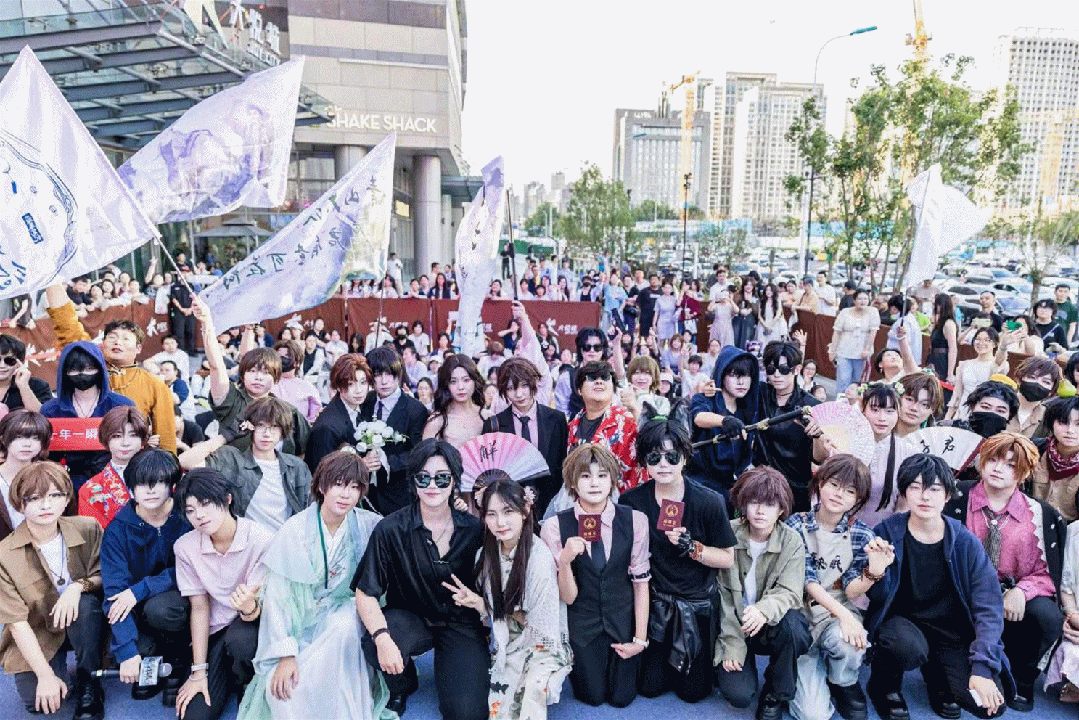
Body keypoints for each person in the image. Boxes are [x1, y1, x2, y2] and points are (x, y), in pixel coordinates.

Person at [237, 451, 390, 720]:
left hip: (347, 612)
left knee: (343, 625)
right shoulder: (295, 530)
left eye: (354, 487)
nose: (346, 494)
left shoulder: (369, 525)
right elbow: (278, 597)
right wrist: (286, 654)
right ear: (321, 486)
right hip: (302, 618)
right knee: (286, 691)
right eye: (338, 484)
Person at [865, 454, 1011, 720]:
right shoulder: (887, 533)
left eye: (934, 489)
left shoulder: (965, 542)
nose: (925, 496)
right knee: (906, 646)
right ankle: (883, 686)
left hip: (949, 631)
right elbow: (877, 599)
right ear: (904, 492)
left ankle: (938, 678)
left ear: (947, 496)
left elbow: (989, 607)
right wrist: (875, 571)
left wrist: (982, 669)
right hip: (901, 625)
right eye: (915, 487)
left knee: (989, 706)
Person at [353, 439, 490, 720]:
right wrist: (383, 639)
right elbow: (365, 592)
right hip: (410, 616)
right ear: (413, 481)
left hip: (460, 623)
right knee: (375, 644)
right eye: (423, 477)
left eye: (442, 478)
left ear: (454, 481)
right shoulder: (390, 529)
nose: (432, 486)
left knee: (466, 714)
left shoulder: (475, 530)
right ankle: (403, 683)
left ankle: (454, 669)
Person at [619, 414, 736, 703]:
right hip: (656, 604)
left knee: (693, 694)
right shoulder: (632, 501)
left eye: (672, 457)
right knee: (649, 688)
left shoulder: (710, 501)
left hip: (695, 605)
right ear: (644, 461)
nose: (663, 464)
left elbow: (727, 558)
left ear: (684, 458)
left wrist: (693, 548)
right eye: (654, 457)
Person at [944, 432, 1065, 711]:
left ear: (1024, 473)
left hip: (1010, 598)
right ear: (982, 461)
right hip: (960, 593)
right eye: (993, 460)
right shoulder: (956, 496)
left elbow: (1048, 573)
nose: (999, 469)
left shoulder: (1041, 515)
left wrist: (1022, 591)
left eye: (1011, 465)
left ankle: (1022, 677)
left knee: (1047, 615)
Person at [446, 477, 572, 719]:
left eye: (508, 512)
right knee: (500, 703)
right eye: (491, 514)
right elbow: (495, 615)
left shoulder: (539, 557)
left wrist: (490, 607)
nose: (500, 522)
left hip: (541, 644)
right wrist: (478, 603)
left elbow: (540, 625)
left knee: (531, 692)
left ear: (525, 511)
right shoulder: (484, 555)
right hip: (507, 641)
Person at [540, 443, 650, 708]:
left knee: (622, 698)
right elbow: (567, 597)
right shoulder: (554, 526)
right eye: (585, 476)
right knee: (592, 697)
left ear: (612, 480)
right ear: (572, 482)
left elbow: (641, 585)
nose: (594, 483)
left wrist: (639, 640)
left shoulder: (635, 520)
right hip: (582, 625)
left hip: (622, 622)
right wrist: (565, 560)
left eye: (602, 475)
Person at [787, 455, 893, 720]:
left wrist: (874, 570)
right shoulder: (796, 524)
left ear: (858, 498)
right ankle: (799, 673)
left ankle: (842, 681)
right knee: (812, 716)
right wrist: (847, 616)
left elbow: (850, 591)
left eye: (849, 491)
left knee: (851, 643)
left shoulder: (862, 533)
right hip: (799, 614)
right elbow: (807, 580)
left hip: (835, 613)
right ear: (820, 483)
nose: (839, 494)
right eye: (834, 485)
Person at [0, 462, 105, 719]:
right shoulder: (4, 554)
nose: (46, 505)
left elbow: (105, 574)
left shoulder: (88, 527)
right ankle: (54, 669)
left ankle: (89, 679)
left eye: (55, 495)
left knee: (84, 604)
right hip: (39, 630)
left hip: (85, 623)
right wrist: (45, 676)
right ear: (19, 503)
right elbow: (16, 623)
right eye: (34, 498)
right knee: (37, 703)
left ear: (67, 498)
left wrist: (77, 587)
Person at [173, 468, 274, 720]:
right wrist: (198, 672)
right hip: (217, 630)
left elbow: (259, 609)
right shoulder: (185, 547)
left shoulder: (261, 539)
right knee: (193, 716)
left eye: (206, 503)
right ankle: (223, 674)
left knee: (241, 641)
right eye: (190, 510)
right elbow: (200, 608)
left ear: (227, 499)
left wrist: (249, 608)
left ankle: (246, 683)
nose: (199, 515)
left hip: (252, 625)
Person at [715, 467, 811, 720]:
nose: (760, 511)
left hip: (769, 623)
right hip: (734, 623)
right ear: (742, 504)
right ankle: (727, 659)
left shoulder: (791, 540)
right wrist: (732, 644)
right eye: (753, 502)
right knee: (739, 695)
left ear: (781, 510)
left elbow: (790, 592)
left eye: (769, 504)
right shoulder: (727, 533)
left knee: (795, 627)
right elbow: (723, 597)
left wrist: (762, 610)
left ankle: (775, 692)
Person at [100, 449, 191, 705]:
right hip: (138, 610)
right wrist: (127, 651)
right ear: (131, 486)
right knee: (133, 650)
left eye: (159, 482)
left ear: (172, 484)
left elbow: (192, 569)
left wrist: (140, 589)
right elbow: (114, 592)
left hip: (180, 602)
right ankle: (152, 655)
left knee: (161, 609)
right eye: (141, 483)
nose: (150, 490)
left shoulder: (187, 517)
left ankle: (178, 660)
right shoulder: (118, 529)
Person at [45, 284, 176, 453]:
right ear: (103, 343)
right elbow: (66, 324)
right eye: (112, 337)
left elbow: (166, 439)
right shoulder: (89, 365)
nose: (117, 342)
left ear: (138, 348)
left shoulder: (154, 385)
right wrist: (51, 281)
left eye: (126, 339)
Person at [193, 299, 310, 456]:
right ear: (243, 374)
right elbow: (216, 366)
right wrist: (206, 323)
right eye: (253, 371)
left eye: (266, 373)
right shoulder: (231, 401)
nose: (258, 377)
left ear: (276, 378)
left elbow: (302, 453)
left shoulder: (289, 412)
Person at [179, 397, 312, 533]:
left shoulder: (296, 466)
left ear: (282, 431)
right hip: (247, 541)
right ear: (250, 427)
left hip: (286, 540)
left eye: (274, 427)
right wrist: (226, 436)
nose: (267, 434)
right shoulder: (232, 460)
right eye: (260, 426)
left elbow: (310, 509)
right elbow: (184, 461)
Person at [40, 338, 135, 489]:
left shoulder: (122, 405)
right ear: (64, 372)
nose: (82, 374)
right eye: (74, 370)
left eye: (89, 369)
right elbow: (45, 454)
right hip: (65, 485)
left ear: (100, 369)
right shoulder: (50, 410)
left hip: (115, 482)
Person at [486, 357, 568, 518]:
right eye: (511, 388)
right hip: (511, 506)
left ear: (534, 382)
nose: (519, 394)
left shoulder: (556, 419)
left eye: (524, 385)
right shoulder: (494, 425)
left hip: (550, 505)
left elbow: (561, 463)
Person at [360, 346, 428, 515]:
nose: (384, 381)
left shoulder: (415, 410)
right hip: (368, 494)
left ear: (398, 374)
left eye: (389, 374)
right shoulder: (366, 401)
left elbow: (419, 453)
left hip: (401, 494)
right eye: (377, 375)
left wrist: (387, 462)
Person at [755, 341, 821, 512]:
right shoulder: (759, 394)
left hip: (795, 489)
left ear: (797, 370)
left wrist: (818, 436)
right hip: (760, 485)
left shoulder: (812, 405)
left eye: (784, 369)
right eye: (771, 369)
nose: (777, 375)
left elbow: (820, 458)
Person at [690, 345, 760, 500]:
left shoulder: (748, 409)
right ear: (721, 374)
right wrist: (724, 421)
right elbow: (699, 417)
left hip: (734, 488)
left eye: (747, 375)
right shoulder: (705, 399)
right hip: (701, 486)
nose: (741, 382)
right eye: (734, 375)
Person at [566, 361, 643, 492]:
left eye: (605, 378)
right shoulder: (572, 426)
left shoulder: (628, 420)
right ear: (579, 390)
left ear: (613, 389)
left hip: (621, 498)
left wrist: (636, 410)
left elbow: (649, 448)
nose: (599, 382)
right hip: (580, 498)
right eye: (592, 378)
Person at [77, 406, 149, 529]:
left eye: (133, 435)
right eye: (117, 436)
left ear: (142, 439)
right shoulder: (90, 490)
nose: (125, 443)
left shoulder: (162, 477)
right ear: (106, 439)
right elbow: (92, 534)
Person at [305, 354, 371, 472]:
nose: (359, 390)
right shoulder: (327, 427)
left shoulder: (363, 407)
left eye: (363, 382)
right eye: (350, 384)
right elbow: (321, 472)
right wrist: (361, 466)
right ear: (338, 386)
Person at [0, 410, 52, 541]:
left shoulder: (52, 476)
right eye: (19, 437)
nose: (27, 444)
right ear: (3, 439)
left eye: (35, 438)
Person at [1031, 396, 1079, 522]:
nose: (1070, 431)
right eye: (1063, 422)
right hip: (1030, 521)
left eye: (1078, 424)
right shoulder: (1034, 449)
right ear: (1051, 423)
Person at [423, 353, 486, 446]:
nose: (460, 387)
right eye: (453, 381)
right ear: (446, 384)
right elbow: (426, 453)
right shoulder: (437, 421)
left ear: (475, 381)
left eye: (466, 380)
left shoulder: (487, 417)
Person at [946, 328, 1007, 420]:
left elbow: (1000, 360)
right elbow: (957, 395)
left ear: (994, 344)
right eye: (978, 339)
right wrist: (947, 417)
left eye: (986, 340)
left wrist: (1004, 346)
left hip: (984, 416)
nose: (981, 343)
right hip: (962, 414)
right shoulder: (964, 364)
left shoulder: (997, 366)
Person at [830, 289, 881, 396]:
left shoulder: (873, 312)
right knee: (843, 379)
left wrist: (867, 349)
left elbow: (873, 332)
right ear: (854, 300)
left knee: (859, 380)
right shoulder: (845, 312)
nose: (862, 301)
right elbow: (837, 332)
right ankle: (840, 402)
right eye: (859, 299)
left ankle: (856, 402)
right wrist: (832, 350)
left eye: (865, 299)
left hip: (862, 351)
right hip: (844, 350)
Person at [1008, 356, 1060, 438]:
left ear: (1051, 391)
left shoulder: (1048, 418)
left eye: (1046, 382)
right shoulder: (1001, 404)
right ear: (1020, 379)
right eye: (1032, 377)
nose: (1037, 383)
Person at [273, 340, 322, 425]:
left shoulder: (308, 388)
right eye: (279, 356)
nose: (282, 359)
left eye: (287, 356)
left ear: (297, 362)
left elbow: (314, 418)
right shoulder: (268, 383)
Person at [0, 334, 52, 412]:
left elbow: (42, 416)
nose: (2, 365)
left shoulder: (37, 386)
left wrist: (23, 386)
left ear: (20, 363)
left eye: (9, 361)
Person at [620, 355, 671, 422]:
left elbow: (655, 425)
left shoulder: (662, 401)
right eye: (636, 373)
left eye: (647, 373)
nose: (641, 378)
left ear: (653, 377)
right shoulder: (624, 398)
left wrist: (642, 396)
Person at [895, 372, 945, 437]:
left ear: (933, 409)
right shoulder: (882, 435)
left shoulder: (936, 440)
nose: (914, 408)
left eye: (924, 404)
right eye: (909, 399)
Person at [928, 293, 960, 384]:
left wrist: (950, 373)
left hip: (942, 360)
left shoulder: (948, 323)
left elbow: (953, 348)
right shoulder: (939, 322)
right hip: (934, 359)